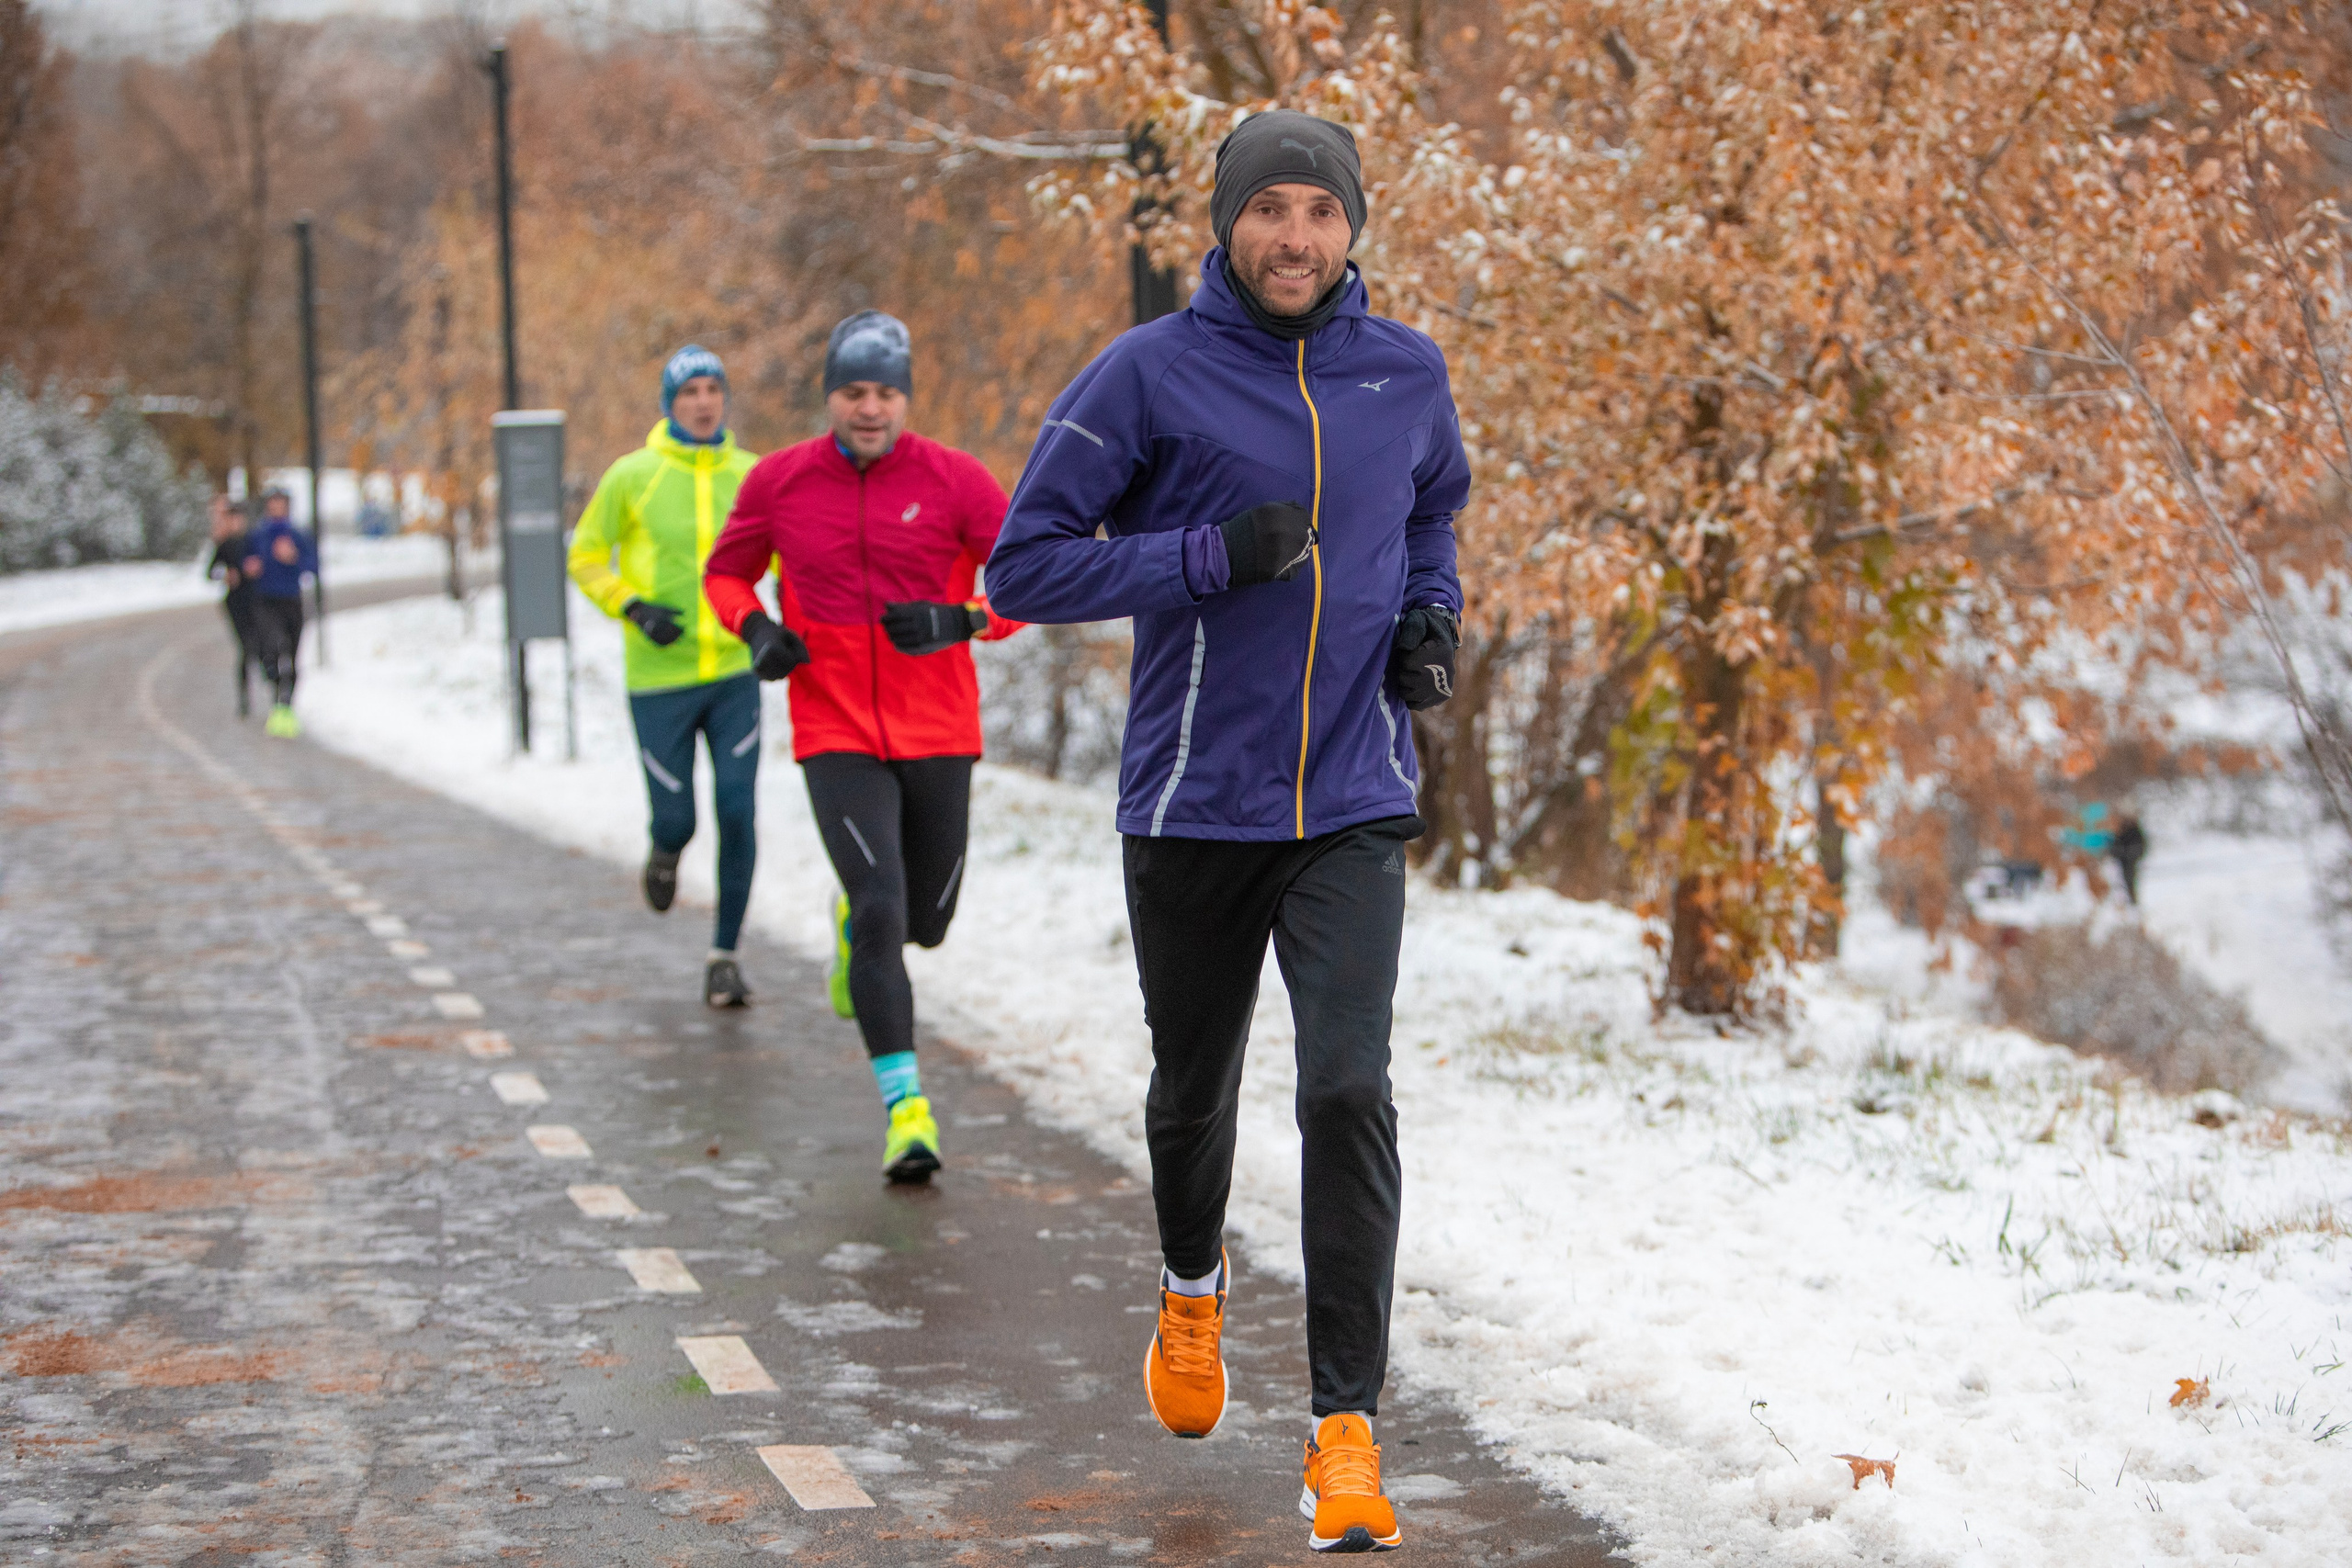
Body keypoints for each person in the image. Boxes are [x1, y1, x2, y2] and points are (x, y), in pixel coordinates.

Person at [985, 110, 1470, 1553]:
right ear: (1225, 222)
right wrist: (1201, 554)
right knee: (1194, 1091)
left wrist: (1433, 615)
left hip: (1354, 798)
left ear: (1354, 229)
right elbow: (1027, 561)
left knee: (1346, 1090)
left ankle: (1344, 1436)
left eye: (1322, 214)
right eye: (1271, 211)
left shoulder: (1406, 373)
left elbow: (1433, 505)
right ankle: (1190, 1286)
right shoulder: (1151, 373)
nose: (1297, 239)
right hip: (1196, 800)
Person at [704, 310, 1024, 1183]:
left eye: (885, 392)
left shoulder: (955, 480)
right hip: (834, 726)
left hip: (938, 727)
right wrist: (757, 628)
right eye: (853, 391)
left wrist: (962, 619)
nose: (870, 408)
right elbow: (726, 572)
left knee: (927, 922)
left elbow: (1032, 573)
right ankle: (907, 1109)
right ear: (830, 398)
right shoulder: (780, 482)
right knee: (882, 902)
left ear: (905, 397)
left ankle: (858, 928)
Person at [568, 345, 763, 1008]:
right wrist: (632, 606)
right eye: (689, 392)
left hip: (734, 672)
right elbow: (586, 556)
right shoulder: (634, 475)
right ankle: (664, 850)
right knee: (678, 818)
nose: (704, 402)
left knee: (738, 808)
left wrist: (786, 628)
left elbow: (794, 557)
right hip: (659, 681)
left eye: (713, 389)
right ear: (670, 404)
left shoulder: (753, 474)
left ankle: (724, 955)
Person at [243, 489, 318, 738]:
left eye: (280, 504)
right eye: (272, 504)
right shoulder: (257, 535)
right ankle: (277, 696)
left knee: (292, 654)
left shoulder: (297, 534)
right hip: (265, 600)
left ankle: (286, 704)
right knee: (270, 648)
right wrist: (247, 569)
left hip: (291, 599)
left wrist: (293, 557)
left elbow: (313, 566)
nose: (276, 509)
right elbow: (243, 563)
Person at [206, 494, 261, 717]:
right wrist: (225, 575)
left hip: (257, 599)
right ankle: (244, 697)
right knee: (245, 648)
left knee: (258, 645)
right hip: (235, 601)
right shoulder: (225, 544)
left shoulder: (254, 541)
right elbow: (210, 572)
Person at [2111, 813, 2147, 906]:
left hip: (2131, 860)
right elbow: (2116, 846)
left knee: (2130, 879)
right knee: (2122, 880)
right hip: (2123, 860)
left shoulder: (2135, 832)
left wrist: (2131, 854)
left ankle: (2132, 899)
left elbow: (2140, 846)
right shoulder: (2121, 831)